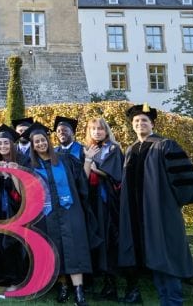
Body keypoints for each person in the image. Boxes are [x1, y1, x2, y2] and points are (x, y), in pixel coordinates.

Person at [118, 104, 193, 306]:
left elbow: (182, 177)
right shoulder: (131, 150)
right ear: (132, 125)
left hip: (160, 212)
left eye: (144, 120)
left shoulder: (166, 145)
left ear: (152, 124)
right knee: (153, 257)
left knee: (166, 255)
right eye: (136, 121)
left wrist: (176, 201)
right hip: (136, 216)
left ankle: (173, 301)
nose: (140, 123)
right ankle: (164, 300)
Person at [28, 122, 95, 306]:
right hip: (47, 213)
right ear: (33, 146)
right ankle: (63, 287)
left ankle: (79, 292)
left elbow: (82, 180)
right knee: (55, 249)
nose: (40, 143)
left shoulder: (65, 159)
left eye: (43, 140)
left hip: (69, 210)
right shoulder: (32, 166)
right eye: (36, 142)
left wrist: (88, 160)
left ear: (48, 141)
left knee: (74, 248)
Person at [82, 117, 124, 300]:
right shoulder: (89, 149)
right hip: (92, 199)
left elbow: (114, 174)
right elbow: (83, 175)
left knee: (108, 238)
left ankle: (110, 284)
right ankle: (96, 280)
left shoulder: (113, 148)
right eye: (93, 129)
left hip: (107, 201)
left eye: (100, 129)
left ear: (106, 131)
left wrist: (94, 167)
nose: (97, 132)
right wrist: (88, 162)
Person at [0, 124, 28, 285]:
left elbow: (24, 190)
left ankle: (18, 277)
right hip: (0, 207)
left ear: (12, 143)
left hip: (17, 208)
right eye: (0, 143)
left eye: (6, 143)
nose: (2, 146)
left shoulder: (23, 160)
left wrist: (11, 174)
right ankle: (4, 275)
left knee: (14, 241)